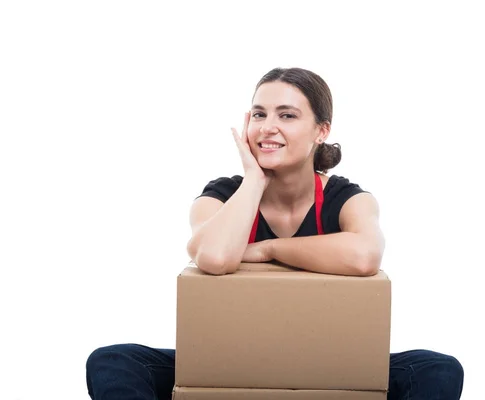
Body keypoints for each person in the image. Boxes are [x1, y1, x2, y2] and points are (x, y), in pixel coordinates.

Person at [86, 67, 464, 400]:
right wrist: (254, 179)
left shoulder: (347, 198)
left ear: (321, 130)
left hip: (329, 368)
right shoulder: (220, 196)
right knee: (113, 361)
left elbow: (365, 256)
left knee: (437, 369)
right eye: (259, 114)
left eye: (287, 115)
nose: (268, 127)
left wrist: (267, 250)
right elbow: (215, 257)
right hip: (232, 366)